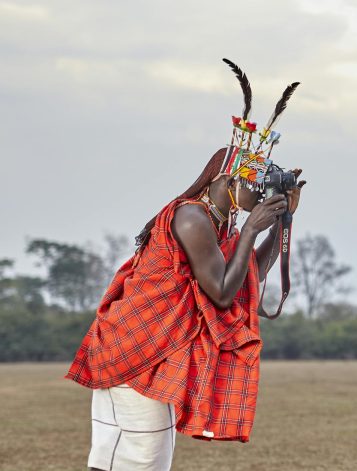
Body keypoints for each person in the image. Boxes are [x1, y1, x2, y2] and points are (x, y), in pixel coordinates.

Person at [66, 59, 305, 471]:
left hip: (146, 351)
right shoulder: (192, 217)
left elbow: (251, 274)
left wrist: (280, 224)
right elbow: (222, 291)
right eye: (256, 186)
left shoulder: (220, 221)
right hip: (136, 351)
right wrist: (250, 230)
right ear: (230, 181)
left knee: (129, 458)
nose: (259, 194)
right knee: (138, 460)